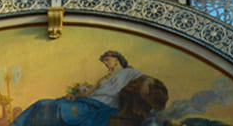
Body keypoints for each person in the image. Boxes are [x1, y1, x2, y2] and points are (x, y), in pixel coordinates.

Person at [12, 51, 145, 126]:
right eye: (104, 61)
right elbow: (89, 93)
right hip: (89, 102)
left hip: (102, 106)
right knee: (43, 103)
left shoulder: (129, 73)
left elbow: (147, 82)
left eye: (107, 60)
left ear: (117, 59)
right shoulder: (104, 78)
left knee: (58, 108)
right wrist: (74, 96)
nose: (105, 64)